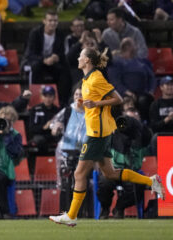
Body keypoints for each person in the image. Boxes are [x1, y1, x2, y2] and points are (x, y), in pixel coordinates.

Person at [49, 47, 165, 227]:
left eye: (81, 55)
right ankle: (151, 181)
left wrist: (96, 103)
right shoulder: (86, 79)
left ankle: (71, 216)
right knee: (110, 173)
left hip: (97, 133)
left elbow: (117, 99)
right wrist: (87, 103)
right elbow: (94, 104)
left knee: (79, 173)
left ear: (87, 60)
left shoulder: (96, 78)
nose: (78, 58)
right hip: (99, 131)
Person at [97, 107, 151, 219]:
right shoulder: (112, 131)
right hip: (113, 170)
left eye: (133, 119)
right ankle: (105, 208)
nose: (129, 123)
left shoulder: (143, 134)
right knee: (104, 182)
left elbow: (148, 139)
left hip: (132, 171)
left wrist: (138, 129)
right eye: (127, 119)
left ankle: (119, 208)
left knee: (139, 186)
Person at [50, 85, 87, 212]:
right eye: (76, 94)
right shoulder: (67, 110)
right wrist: (56, 127)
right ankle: (63, 211)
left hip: (84, 151)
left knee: (80, 182)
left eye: (81, 95)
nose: (78, 97)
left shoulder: (91, 111)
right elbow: (53, 124)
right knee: (64, 183)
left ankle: (80, 213)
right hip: (65, 151)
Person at [23, 10, 71, 105]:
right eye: (50, 20)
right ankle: (35, 100)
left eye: (55, 21)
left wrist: (56, 57)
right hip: (38, 61)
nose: (53, 23)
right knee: (35, 68)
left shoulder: (60, 34)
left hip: (53, 62)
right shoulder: (35, 33)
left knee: (65, 71)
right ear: (44, 21)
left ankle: (62, 102)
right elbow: (30, 54)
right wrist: (43, 60)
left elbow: (62, 53)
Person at [107, 37, 155, 123]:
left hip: (142, 93)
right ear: (128, 47)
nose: (137, 47)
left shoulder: (142, 62)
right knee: (126, 102)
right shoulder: (117, 62)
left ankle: (145, 124)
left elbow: (152, 77)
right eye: (134, 45)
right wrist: (126, 91)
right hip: (124, 93)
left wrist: (151, 90)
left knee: (144, 101)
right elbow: (115, 81)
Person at [28, 85, 60, 154]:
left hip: (53, 135)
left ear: (54, 97)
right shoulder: (35, 109)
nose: (48, 99)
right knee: (39, 140)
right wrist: (44, 127)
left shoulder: (58, 111)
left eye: (50, 96)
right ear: (41, 97)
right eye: (45, 96)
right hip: (40, 135)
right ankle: (42, 161)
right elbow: (32, 128)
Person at [149, 75, 173, 155]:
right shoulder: (155, 105)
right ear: (161, 87)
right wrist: (168, 118)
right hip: (162, 133)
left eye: (172, 84)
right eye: (167, 85)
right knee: (154, 138)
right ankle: (156, 164)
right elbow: (154, 126)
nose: (170, 87)